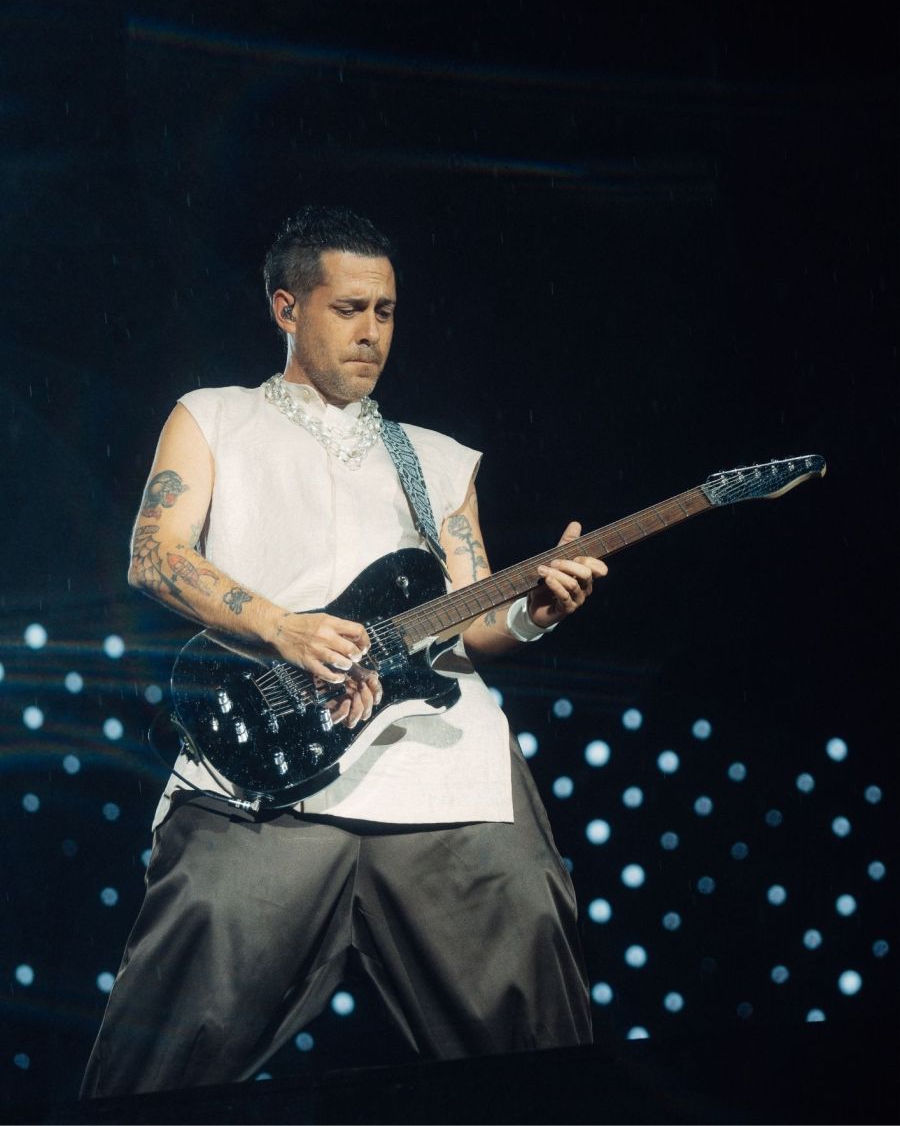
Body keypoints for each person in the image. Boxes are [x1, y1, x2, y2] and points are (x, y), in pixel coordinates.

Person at [81, 206, 608, 1096]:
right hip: (268, 752)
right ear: (286, 308)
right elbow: (154, 554)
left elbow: (472, 623)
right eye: (348, 309)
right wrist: (283, 625)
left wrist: (536, 614)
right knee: (187, 977)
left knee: (530, 957)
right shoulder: (213, 417)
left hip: (439, 767)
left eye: (387, 312)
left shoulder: (437, 459)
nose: (371, 333)